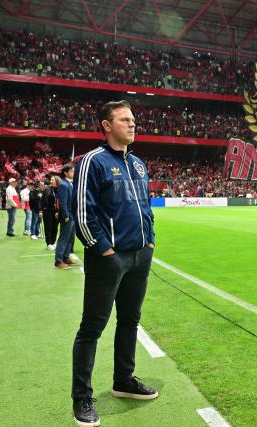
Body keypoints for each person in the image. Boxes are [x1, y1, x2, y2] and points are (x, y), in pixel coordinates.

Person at [71, 100, 156, 427]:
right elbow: (82, 212)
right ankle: (82, 396)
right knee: (92, 328)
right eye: (125, 120)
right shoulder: (93, 161)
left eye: (133, 119)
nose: (132, 124)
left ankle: (124, 380)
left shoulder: (137, 164)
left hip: (139, 256)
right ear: (107, 125)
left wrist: (149, 241)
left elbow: (146, 207)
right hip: (109, 259)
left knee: (130, 320)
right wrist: (103, 249)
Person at [54, 165, 76, 269]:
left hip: (73, 215)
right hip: (67, 216)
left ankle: (66, 257)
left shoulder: (71, 184)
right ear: (65, 173)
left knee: (70, 238)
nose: (74, 172)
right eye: (71, 171)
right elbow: (62, 202)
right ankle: (58, 261)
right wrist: (66, 215)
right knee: (63, 238)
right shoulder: (63, 185)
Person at [41, 176, 58, 250]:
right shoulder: (47, 189)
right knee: (48, 227)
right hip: (48, 211)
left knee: (55, 227)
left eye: (53, 180)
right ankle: (49, 243)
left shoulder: (58, 189)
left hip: (56, 211)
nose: (51, 181)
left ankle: (53, 242)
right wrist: (41, 211)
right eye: (51, 180)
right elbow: (42, 201)